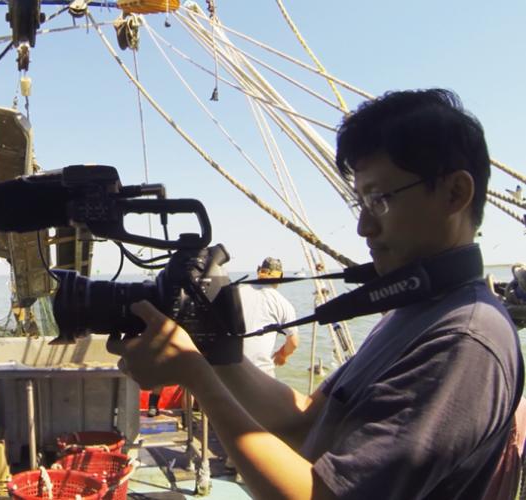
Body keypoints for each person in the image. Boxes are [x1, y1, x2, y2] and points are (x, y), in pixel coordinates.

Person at [107, 89, 524, 499]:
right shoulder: (413, 315)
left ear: (455, 193)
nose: (363, 227)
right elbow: (303, 421)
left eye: (379, 199)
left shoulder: (463, 340)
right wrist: (216, 351)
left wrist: (195, 376)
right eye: (359, 202)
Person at [238, 257, 300, 377]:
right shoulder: (283, 303)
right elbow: (293, 342)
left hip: (226, 370)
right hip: (260, 374)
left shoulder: (237, 292)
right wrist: (283, 354)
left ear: (259, 272)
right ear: (281, 277)